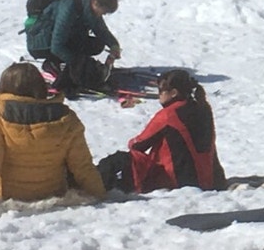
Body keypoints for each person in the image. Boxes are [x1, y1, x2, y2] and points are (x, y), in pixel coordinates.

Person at [0, 62, 105, 211]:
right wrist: (99, 195)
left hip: (6, 199)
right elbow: (82, 166)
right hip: (51, 195)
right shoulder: (66, 118)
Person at [97, 69, 226, 194]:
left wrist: (133, 142)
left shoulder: (168, 115)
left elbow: (138, 145)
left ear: (174, 93)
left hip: (177, 180)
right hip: (210, 179)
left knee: (119, 160)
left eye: (161, 91)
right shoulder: (204, 109)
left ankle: (92, 184)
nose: (159, 95)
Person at [26, 0, 122, 95]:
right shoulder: (68, 10)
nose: (103, 14)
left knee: (96, 44)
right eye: (104, 11)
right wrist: (78, 63)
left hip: (64, 39)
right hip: (41, 45)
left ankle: (68, 64)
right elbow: (56, 46)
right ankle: (52, 64)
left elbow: (101, 30)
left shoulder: (89, 8)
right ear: (95, 2)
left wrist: (114, 46)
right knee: (77, 57)